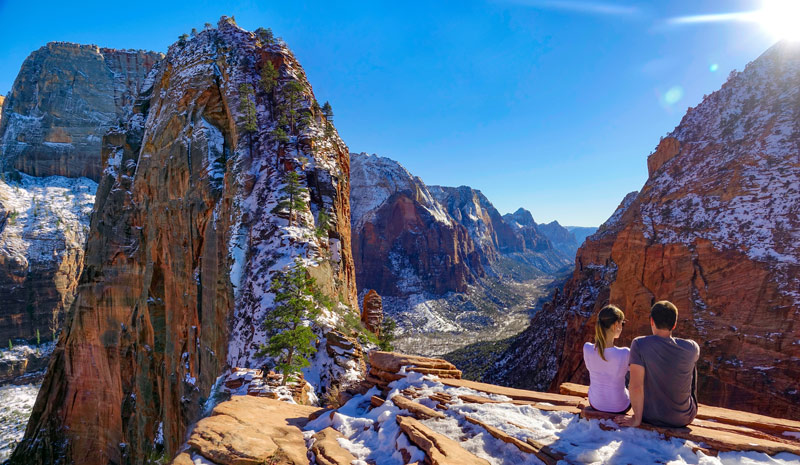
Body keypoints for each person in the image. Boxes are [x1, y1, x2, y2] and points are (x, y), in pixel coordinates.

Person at [617, 300, 699, 428]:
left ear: (652, 321)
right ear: (674, 325)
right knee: (690, 364)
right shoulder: (692, 347)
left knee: (632, 371)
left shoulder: (639, 344)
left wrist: (637, 420)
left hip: (648, 416)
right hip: (683, 418)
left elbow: (636, 386)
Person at [583, 305, 630, 414]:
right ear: (615, 325)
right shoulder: (625, 353)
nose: (622, 327)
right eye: (622, 323)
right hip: (620, 407)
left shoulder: (587, 348)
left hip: (595, 404)